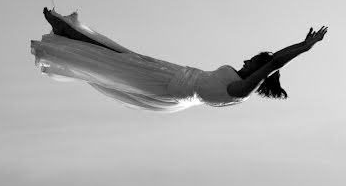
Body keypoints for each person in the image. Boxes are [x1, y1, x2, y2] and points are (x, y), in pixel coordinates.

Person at [31, 8, 328, 112]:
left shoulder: (241, 91)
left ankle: (64, 33)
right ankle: (66, 31)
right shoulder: (237, 80)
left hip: (169, 85)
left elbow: (273, 62)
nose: (246, 61)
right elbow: (270, 61)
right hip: (174, 75)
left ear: (258, 70)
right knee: (118, 55)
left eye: (252, 61)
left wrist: (305, 46)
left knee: (113, 62)